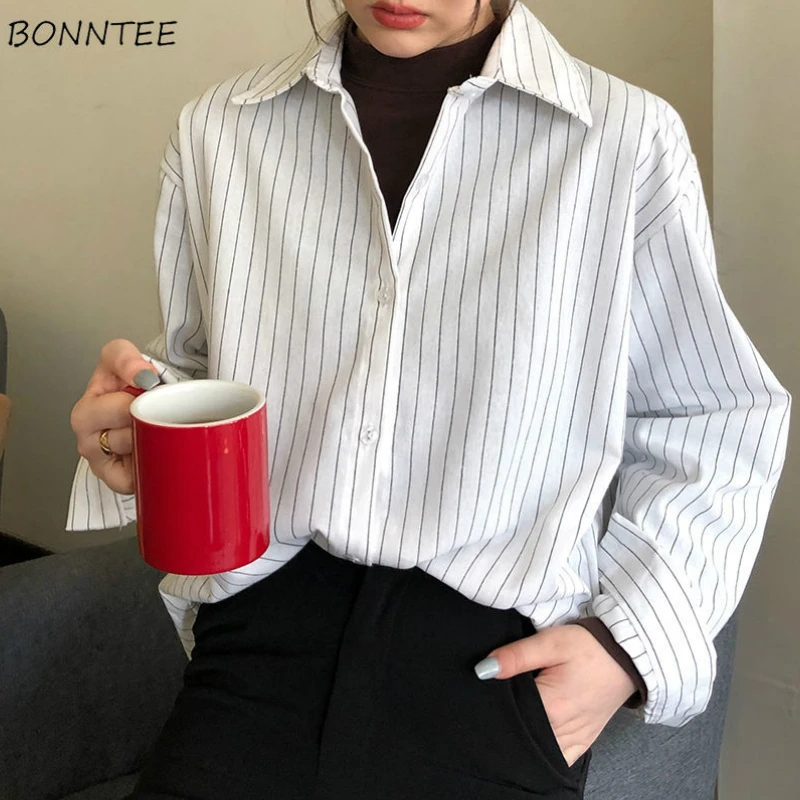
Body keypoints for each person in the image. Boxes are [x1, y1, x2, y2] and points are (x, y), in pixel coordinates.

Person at [68, 1, 790, 798]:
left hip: (490, 670)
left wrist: (625, 646)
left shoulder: (623, 137)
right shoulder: (220, 130)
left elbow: (711, 414)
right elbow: (205, 367)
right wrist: (136, 423)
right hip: (259, 638)